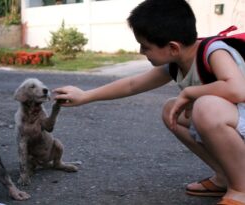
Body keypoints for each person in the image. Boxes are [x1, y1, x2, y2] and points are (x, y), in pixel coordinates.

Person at [53, 0, 245, 204]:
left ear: (172, 47)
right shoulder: (176, 62)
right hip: (236, 121)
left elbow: (237, 90)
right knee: (172, 110)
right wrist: (85, 96)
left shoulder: (214, 51)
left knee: (206, 107)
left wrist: (190, 92)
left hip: (236, 116)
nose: (141, 52)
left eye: (145, 47)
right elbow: (132, 84)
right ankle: (225, 176)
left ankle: (240, 188)